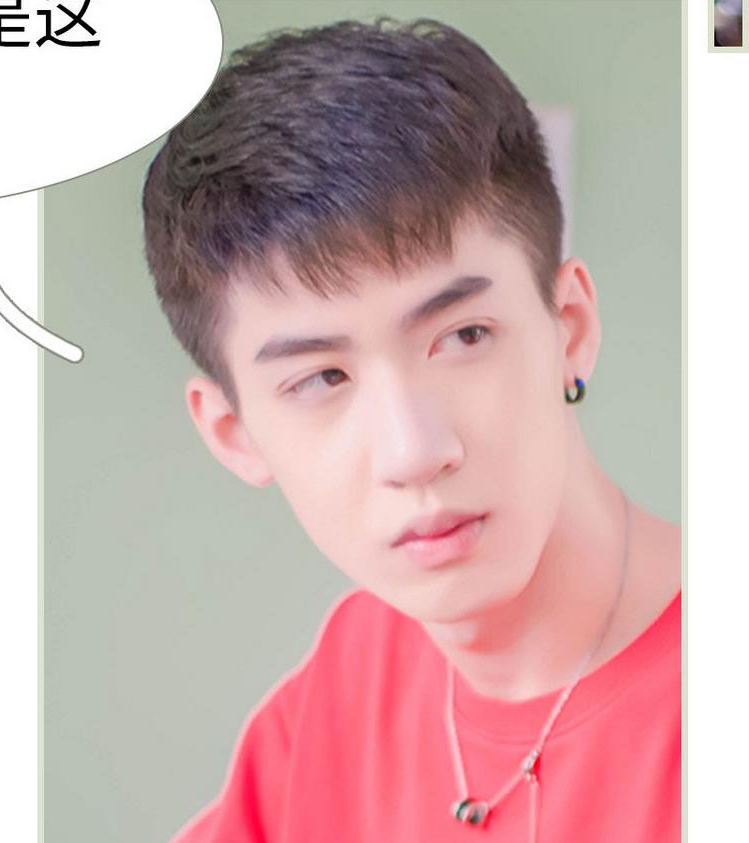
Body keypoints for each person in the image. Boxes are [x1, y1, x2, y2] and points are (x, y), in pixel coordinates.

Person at [140, 18, 681, 843]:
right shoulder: (346, 680)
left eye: (463, 336)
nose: (415, 451)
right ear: (234, 433)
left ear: (568, 326)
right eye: (321, 379)